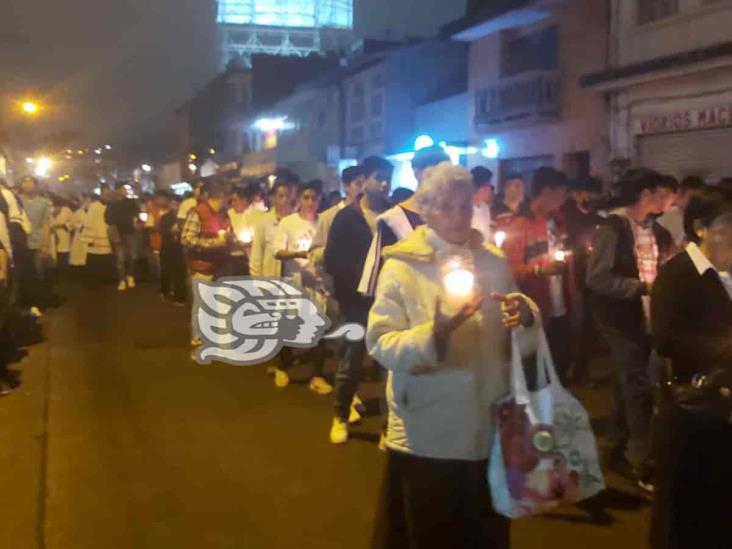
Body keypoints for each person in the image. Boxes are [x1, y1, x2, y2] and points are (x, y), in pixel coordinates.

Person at [366, 162, 538, 549]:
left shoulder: (492, 263)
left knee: (482, 531)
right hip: (430, 429)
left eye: (464, 206)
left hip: (488, 423)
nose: (458, 216)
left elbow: (517, 337)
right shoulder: (403, 266)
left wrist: (525, 317)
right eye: (446, 207)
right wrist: (436, 332)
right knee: (433, 531)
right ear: (426, 211)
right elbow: (380, 342)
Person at [650, 187, 732, 549]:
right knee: (685, 513)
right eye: (730, 223)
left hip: (725, 409)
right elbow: (665, 339)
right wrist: (723, 348)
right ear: (701, 227)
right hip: (692, 410)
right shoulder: (678, 273)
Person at [586, 168, 673, 492]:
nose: (664, 200)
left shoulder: (658, 231)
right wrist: (640, 287)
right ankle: (641, 461)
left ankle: (616, 447)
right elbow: (596, 278)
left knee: (631, 382)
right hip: (619, 319)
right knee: (638, 384)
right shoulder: (613, 229)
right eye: (659, 193)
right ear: (644, 195)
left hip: (648, 318)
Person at [325, 158, 391, 444]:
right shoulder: (347, 217)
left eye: (389, 177)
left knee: (389, 367)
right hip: (356, 303)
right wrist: (357, 281)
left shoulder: (393, 217)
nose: (385, 183)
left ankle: (389, 428)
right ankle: (340, 416)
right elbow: (331, 260)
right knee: (351, 362)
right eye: (380, 177)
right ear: (364, 180)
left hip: (388, 302)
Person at [503, 167, 571, 380]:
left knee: (558, 369)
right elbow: (508, 270)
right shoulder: (521, 224)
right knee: (537, 375)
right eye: (561, 194)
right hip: (535, 310)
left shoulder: (557, 222)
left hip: (560, 307)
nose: (564, 199)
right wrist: (540, 270)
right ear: (546, 192)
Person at [358, 147, 448, 296]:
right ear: (416, 172)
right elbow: (374, 282)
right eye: (433, 171)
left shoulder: (452, 217)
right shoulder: (393, 220)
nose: (440, 178)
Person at [272, 180, 332, 395]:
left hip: (317, 284)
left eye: (314, 198)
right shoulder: (288, 223)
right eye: (306, 197)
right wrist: (299, 254)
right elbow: (277, 252)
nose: (310, 202)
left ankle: (317, 375)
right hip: (294, 282)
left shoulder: (323, 223)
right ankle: (282, 367)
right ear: (298, 200)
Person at [561, 176, 605, 385]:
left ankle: (581, 369)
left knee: (588, 325)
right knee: (575, 325)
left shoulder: (597, 218)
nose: (590, 200)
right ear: (577, 194)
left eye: (594, 197)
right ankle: (570, 370)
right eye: (587, 196)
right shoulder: (566, 216)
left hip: (592, 277)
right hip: (572, 277)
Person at [181, 180, 232, 348]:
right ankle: (198, 336)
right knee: (201, 303)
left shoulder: (224, 214)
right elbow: (186, 239)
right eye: (225, 195)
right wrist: (212, 243)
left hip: (220, 265)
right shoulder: (197, 213)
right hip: (201, 265)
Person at [249, 180, 293, 278]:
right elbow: (256, 256)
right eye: (281, 196)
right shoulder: (264, 222)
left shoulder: (295, 221)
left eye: (288, 196)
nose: (285, 200)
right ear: (274, 198)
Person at [104, 182, 140, 291]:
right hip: (117, 233)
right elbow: (107, 218)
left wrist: (137, 223)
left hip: (130, 232)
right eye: (123, 188)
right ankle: (122, 279)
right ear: (118, 190)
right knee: (120, 258)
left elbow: (138, 214)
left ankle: (130, 276)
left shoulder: (132, 202)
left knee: (132, 256)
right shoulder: (112, 203)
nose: (125, 191)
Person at [19, 176, 51, 284]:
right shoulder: (16, 200)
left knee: (37, 272)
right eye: (24, 182)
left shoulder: (44, 202)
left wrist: (46, 244)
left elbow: (46, 224)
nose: (27, 184)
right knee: (21, 273)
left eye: (30, 182)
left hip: (37, 243)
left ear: (36, 185)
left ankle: (37, 298)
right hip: (20, 242)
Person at [657, 175, 705, 247]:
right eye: (691, 197)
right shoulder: (667, 215)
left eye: (697, 199)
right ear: (680, 193)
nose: (694, 202)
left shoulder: (699, 218)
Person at [227, 184, 264, 276]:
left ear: (245, 200)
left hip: (253, 260)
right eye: (231, 201)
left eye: (235, 200)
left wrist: (248, 243)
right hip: (236, 259)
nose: (233, 204)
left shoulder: (258, 216)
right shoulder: (231, 214)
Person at [82, 189, 115, 285]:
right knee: (94, 260)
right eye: (105, 195)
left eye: (109, 195)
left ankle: (105, 279)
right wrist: (89, 238)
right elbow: (89, 221)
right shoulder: (94, 206)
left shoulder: (111, 206)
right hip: (95, 237)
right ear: (101, 195)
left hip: (107, 237)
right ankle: (93, 281)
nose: (107, 197)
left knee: (105, 259)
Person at [159, 195, 187, 305]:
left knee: (180, 273)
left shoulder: (184, 217)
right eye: (173, 204)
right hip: (167, 248)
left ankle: (179, 297)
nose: (175, 206)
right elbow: (163, 231)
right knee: (166, 271)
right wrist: (172, 230)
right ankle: (164, 291)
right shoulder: (165, 217)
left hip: (180, 249)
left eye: (177, 204)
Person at [470, 166, 494, 243]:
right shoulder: (463, 209)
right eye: (489, 186)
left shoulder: (485, 208)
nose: (490, 190)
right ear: (482, 188)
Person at [50, 197, 73, 271]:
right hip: (53, 235)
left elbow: (72, 222)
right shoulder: (50, 210)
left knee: (63, 254)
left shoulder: (67, 210)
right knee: (54, 254)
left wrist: (63, 225)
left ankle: (64, 271)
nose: (57, 207)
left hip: (63, 234)